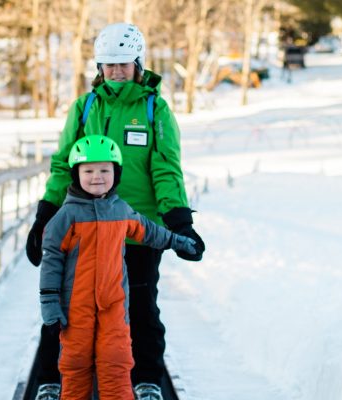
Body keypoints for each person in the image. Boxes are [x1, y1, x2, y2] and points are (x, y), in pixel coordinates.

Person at [26, 22, 205, 400]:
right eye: (109, 65)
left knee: (140, 306)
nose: (117, 72)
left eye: (124, 64)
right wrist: (45, 216)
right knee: (65, 304)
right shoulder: (85, 106)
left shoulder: (155, 108)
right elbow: (63, 164)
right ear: (99, 68)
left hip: (138, 225)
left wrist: (179, 222)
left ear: (138, 64)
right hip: (83, 227)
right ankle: (50, 379)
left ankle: (146, 379)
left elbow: (166, 166)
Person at [39, 135, 200, 400]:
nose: (97, 177)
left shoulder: (121, 210)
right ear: (76, 174)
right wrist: (49, 302)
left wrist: (178, 240)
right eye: (88, 170)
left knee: (116, 360)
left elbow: (148, 231)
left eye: (105, 170)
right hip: (75, 306)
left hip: (114, 303)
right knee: (75, 363)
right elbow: (51, 259)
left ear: (117, 173)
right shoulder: (66, 217)